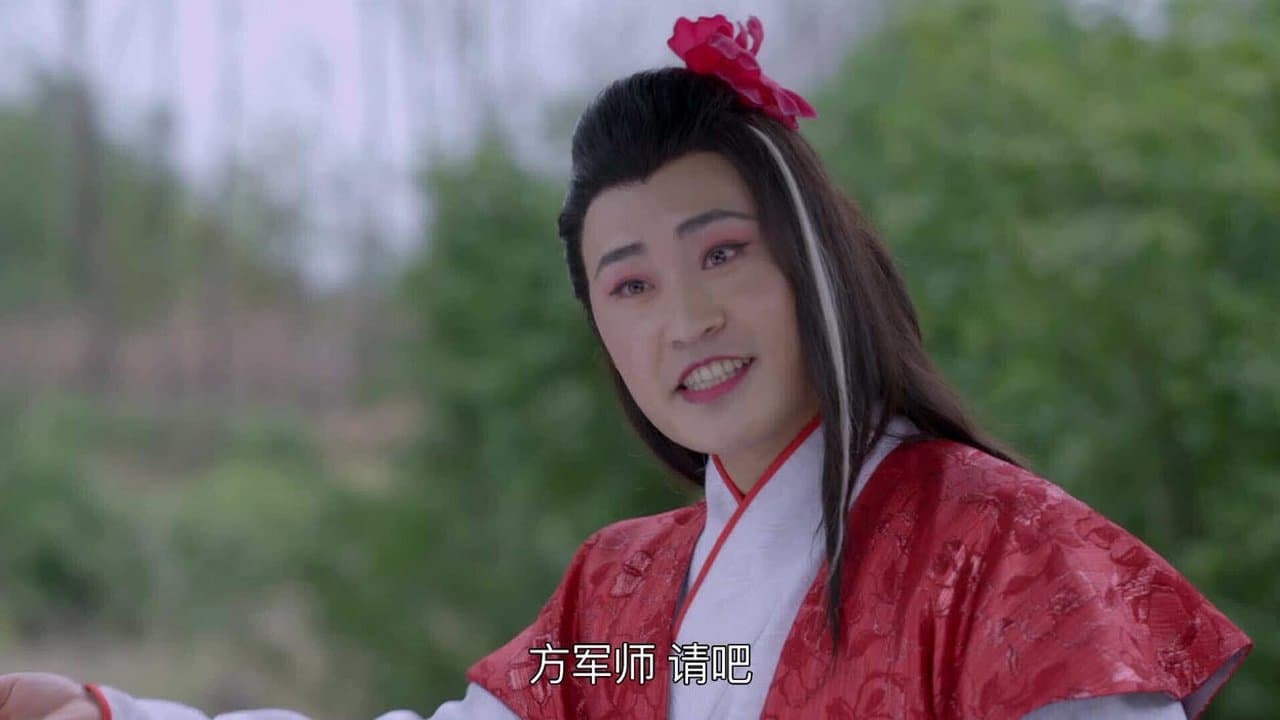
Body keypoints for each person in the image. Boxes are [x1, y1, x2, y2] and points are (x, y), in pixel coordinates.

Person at [0, 13, 1252, 720]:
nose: (686, 318)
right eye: (631, 284)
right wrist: (117, 716)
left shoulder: (1012, 556)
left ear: (816, 263)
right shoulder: (622, 613)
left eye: (722, 254)